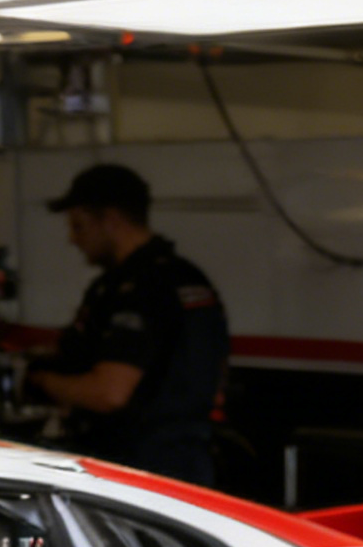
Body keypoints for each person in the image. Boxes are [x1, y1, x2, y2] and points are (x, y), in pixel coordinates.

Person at [24, 163, 228, 485]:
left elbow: (109, 393)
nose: (73, 239)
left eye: (79, 226)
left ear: (111, 219)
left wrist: (40, 382)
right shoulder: (188, 277)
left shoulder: (140, 288)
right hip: (189, 460)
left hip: (139, 468)